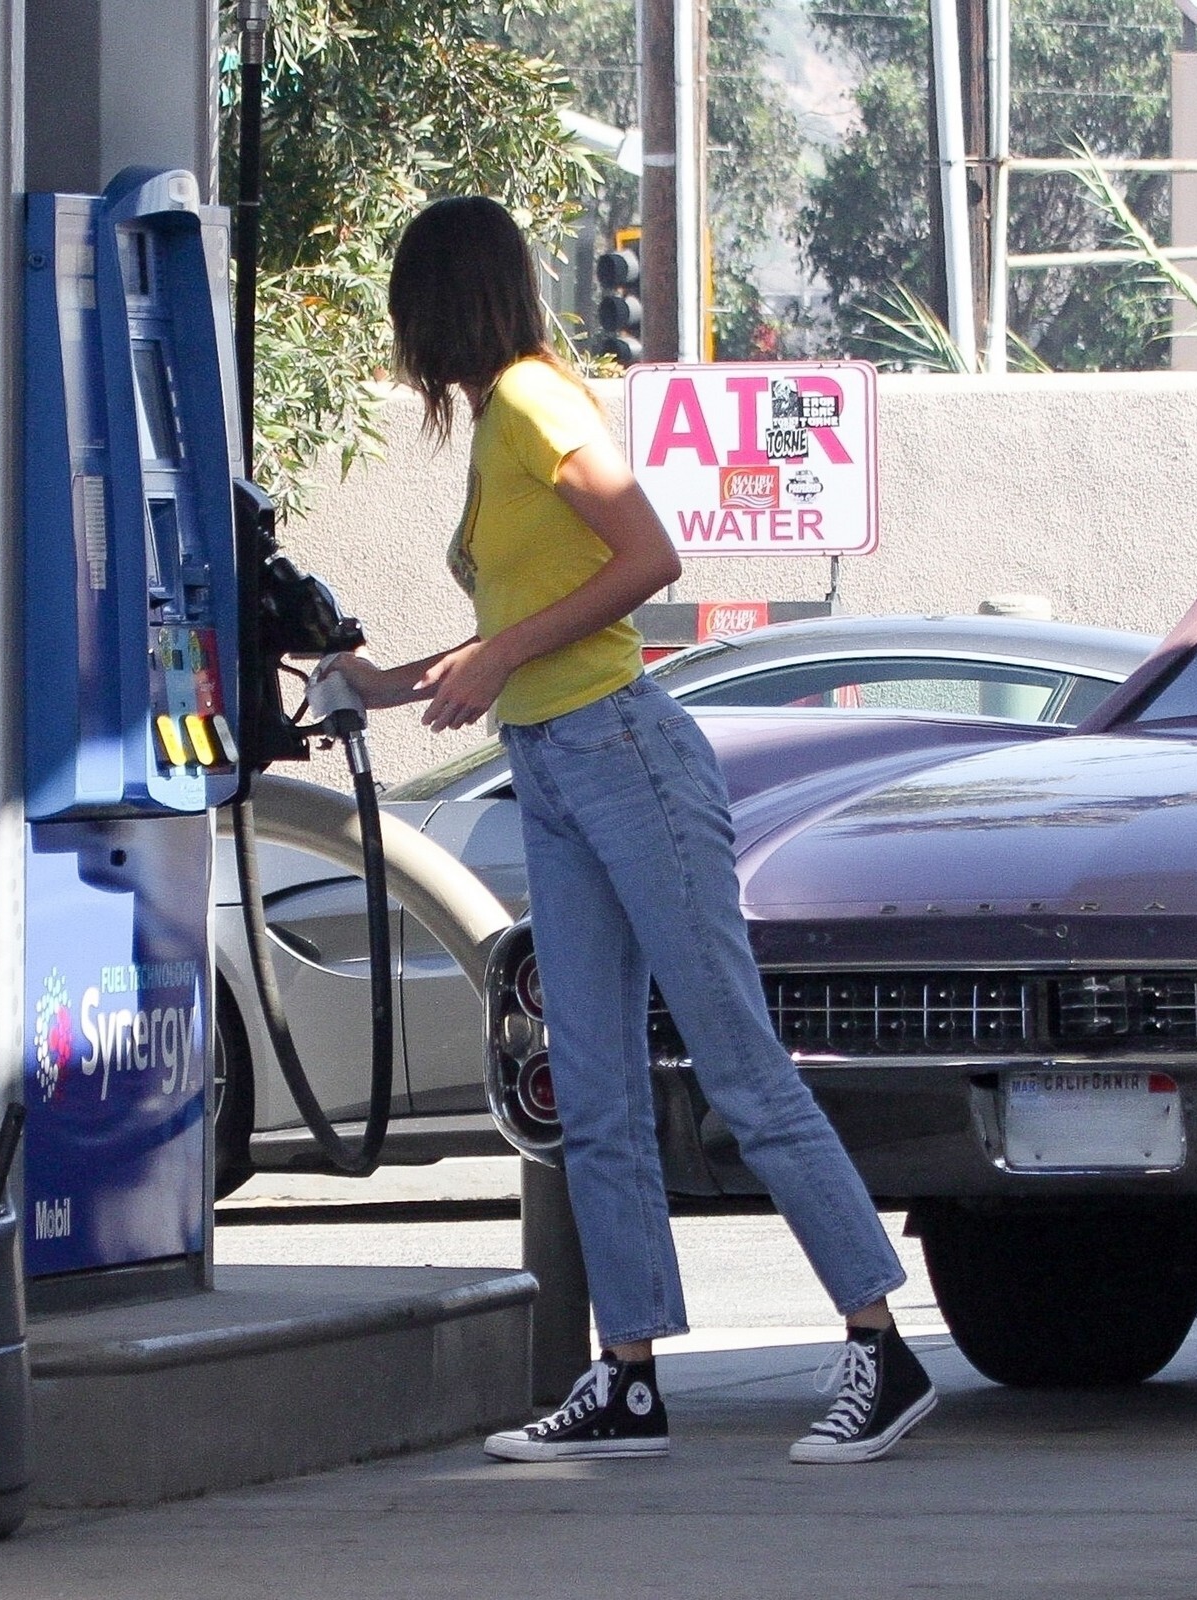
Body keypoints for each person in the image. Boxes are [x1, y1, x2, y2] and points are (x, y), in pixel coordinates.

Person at [325, 195, 933, 1467]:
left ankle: (883, 1348)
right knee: (593, 1085)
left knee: (738, 1064)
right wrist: (389, 681)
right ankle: (631, 1374)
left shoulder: (536, 399)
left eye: (407, 307)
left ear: (444, 301)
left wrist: (495, 657)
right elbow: (526, 627)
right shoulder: (501, 419)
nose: (400, 335)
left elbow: (651, 558)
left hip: (625, 753)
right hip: (553, 761)